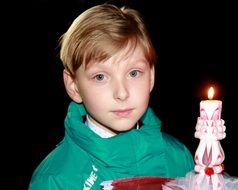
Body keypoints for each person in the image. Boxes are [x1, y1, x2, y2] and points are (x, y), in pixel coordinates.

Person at [29, 3, 194, 190]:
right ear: (74, 86)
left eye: (133, 73)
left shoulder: (179, 157)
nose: (122, 93)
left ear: (151, 76)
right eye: (100, 77)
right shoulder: (55, 180)